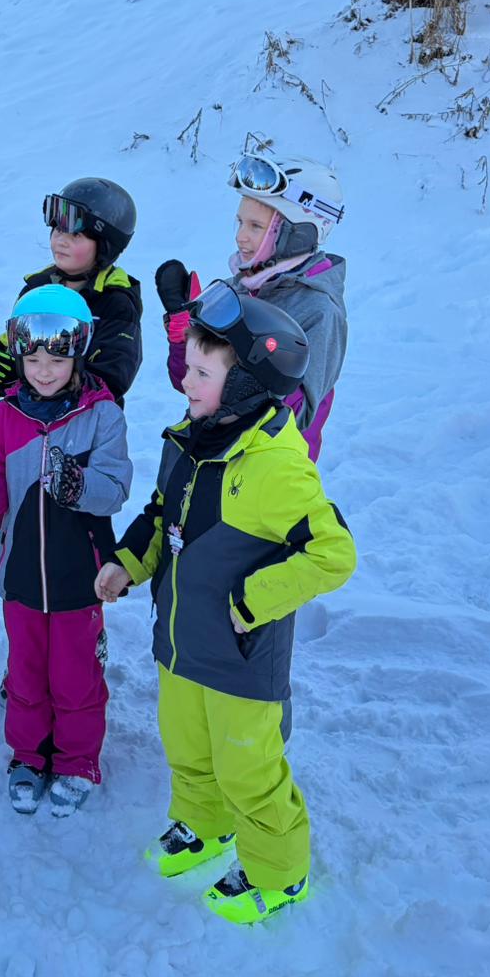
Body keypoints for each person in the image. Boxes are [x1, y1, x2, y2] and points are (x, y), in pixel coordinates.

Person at [96, 281, 355, 925]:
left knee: (248, 767)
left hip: (241, 657)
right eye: (188, 366)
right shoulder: (189, 438)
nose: (185, 380)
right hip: (181, 643)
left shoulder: (275, 467)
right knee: (187, 748)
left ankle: (278, 872)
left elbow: (333, 553)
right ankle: (204, 826)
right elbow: (163, 514)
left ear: (243, 386)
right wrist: (128, 563)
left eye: (202, 373)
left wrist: (251, 600)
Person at [0, 286, 131, 817]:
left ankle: (78, 760)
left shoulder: (102, 416)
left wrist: (77, 485)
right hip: (20, 575)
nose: (43, 371)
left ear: (78, 356)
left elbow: (115, 488)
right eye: (33, 359)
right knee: (26, 673)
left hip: (79, 578)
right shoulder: (4, 416)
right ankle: (28, 756)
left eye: (56, 361)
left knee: (75, 676)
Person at [154, 151, 347, 459]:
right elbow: (186, 383)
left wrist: (238, 349)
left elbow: (294, 415)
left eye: (256, 226)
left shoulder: (319, 311)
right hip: (209, 454)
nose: (240, 237)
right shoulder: (236, 288)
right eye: (240, 222)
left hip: (267, 468)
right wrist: (183, 336)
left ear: (297, 231)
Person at [0, 178, 143, 403]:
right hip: (30, 415)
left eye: (76, 235)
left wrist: (58, 380)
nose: (61, 241)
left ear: (106, 245)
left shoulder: (115, 302)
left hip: (89, 418)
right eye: (57, 229)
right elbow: (20, 354)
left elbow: (115, 374)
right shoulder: (37, 289)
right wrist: (8, 370)